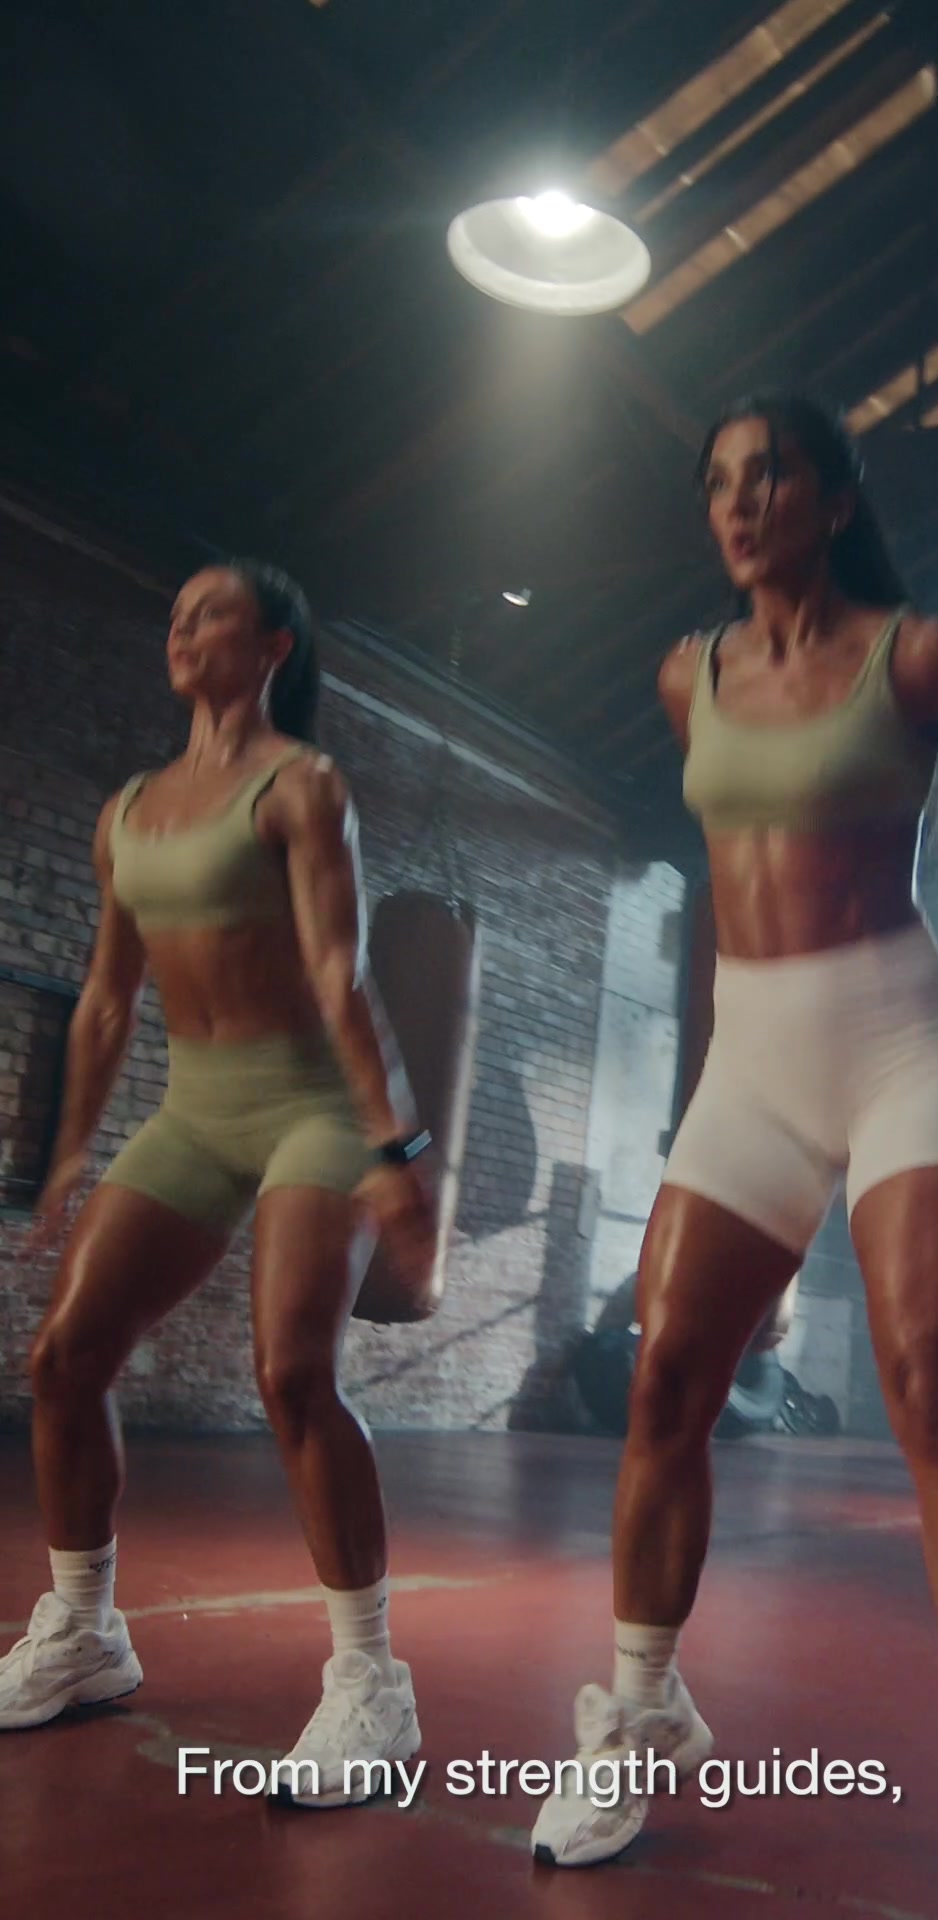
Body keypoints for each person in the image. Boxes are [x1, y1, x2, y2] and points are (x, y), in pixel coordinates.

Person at [532, 395, 938, 1916]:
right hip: (751, 1065)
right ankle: (642, 1713)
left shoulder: (926, 656)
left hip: (903, 1043)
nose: (738, 499)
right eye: (718, 478)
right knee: (663, 1382)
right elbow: (726, 882)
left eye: (769, 472)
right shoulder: (684, 676)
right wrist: (697, 1101)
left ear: (836, 501)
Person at [0, 559, 436, 1808]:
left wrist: (395, 1149)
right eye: (177, 615)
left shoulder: (302, 786)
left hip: (314, 1108)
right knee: (65, 1359)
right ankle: (85, 1630)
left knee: (293, 1373)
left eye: (213, 614)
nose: (183, 627)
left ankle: (372, 1683)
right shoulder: (129, 809)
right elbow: (105, 997)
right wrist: (72, 1149)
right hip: (196, 1111)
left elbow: (341, 972)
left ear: (275, 645)